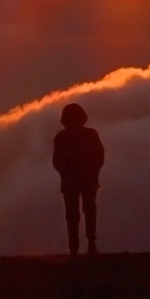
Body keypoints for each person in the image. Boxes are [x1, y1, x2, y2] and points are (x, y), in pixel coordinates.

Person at [51, 103, 105, 256]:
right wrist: (92, 171)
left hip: (75, 180)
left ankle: (78, 246)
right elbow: (99, 156)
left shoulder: (62, 137)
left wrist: (67, 172)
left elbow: (57, 161)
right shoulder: (90, 134)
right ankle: (87, 243)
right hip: (83, 179)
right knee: (85, 212)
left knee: (75, 213)